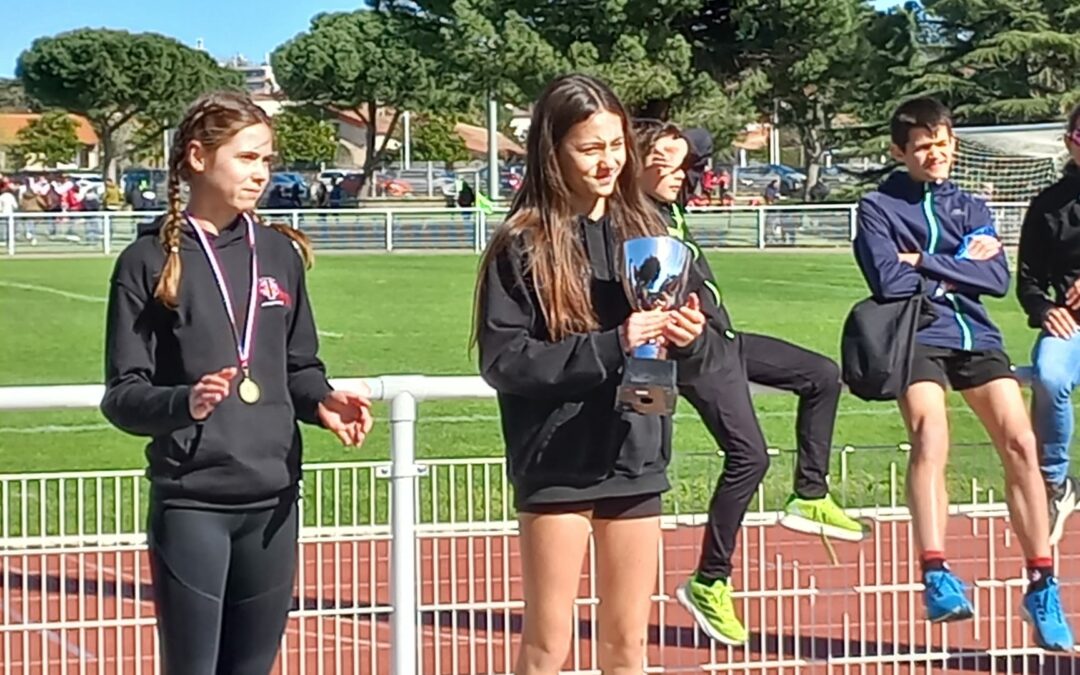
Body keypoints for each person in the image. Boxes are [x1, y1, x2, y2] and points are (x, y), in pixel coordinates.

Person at [100, 90, 375, 674]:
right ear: (198, 157)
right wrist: (186, 402)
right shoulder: (146, 261)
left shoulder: (277, 254)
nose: (261, 174)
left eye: (267, 160)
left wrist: (322, 400)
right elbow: (123, 395)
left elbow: (299, 365)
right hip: (193, 503)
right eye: (247, 158)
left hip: (274, 501)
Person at [473, 74, 720, 675]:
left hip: (637, 454)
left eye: (616, 145)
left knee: (628, 647)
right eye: (590, 148)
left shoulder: (652, 235)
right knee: (547, 647)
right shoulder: (521, 244)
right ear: (552, 152)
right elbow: (505, 360)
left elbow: (705, 348)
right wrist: (613, 344)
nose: (608, 161)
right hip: (557, 462)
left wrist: (689, 340)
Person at [853, 96, 1072, 649]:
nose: (935, 155)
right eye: (923, 146)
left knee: (1022, 442)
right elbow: (887, 281)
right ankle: (936, 572)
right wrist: (958, 268)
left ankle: (1042, 583)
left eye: (943, 143)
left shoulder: (972, 205)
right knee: (932, 435)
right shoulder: (877, 207)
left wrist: (923, 261)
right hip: (916, 336)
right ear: (899, 150)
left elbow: (996, 278)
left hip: (976, 336)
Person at [634, 120, 864, 646]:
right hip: (693, 354)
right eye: (666, 163)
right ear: (637, 164)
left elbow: (703, 138)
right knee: (749, 457)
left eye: (682, 162)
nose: (682, 171)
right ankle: (710, 581)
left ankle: (810, 494)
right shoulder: (635, 217)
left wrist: (678, 145)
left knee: (822, 375)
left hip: (727, 340)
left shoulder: (671, 201)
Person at [1017, 103, 1080, 547]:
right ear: (1069, 142)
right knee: (1050, 375)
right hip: (1070, 325)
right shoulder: (1047, 206)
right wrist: (1044, 311)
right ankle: (1056, 482)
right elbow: (1027, 282)